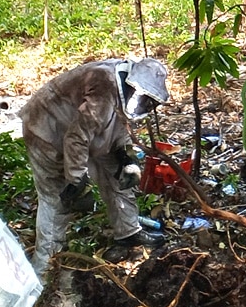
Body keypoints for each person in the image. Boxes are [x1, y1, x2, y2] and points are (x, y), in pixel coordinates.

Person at [20, 58, 169, 277]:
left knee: (119, 174)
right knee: (56, 199)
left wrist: (126, 156)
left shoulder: (126, 92)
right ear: (133, 85)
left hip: (86, 131)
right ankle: (44, 270)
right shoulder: (103, 85)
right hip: (47, 129)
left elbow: (119, 122)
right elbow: (76, 139)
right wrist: (77, 180)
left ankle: (127, 231)